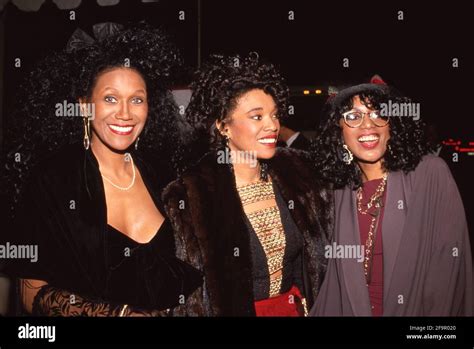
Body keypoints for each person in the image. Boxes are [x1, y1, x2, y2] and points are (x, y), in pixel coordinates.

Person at [3, 23, 201, 316]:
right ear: (84, 105)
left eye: (137, 99)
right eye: (110, 98)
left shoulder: (163, 175)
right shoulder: (51, 181)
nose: (125, 113)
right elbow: (29, 291)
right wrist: (115, 315)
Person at [162, 53, 333, 316]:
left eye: (275, 115)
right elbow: (189, 298)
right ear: (222, 126)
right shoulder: (191, 195)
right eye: (257, 117)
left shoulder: (300, 178)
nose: (273, 125)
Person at [310, 81, 473, 316]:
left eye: (378, 114)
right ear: (338, 131)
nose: (368, 125)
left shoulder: (429, 174)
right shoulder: (339, 191)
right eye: (353, 116)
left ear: (392, 125)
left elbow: (447, 278)